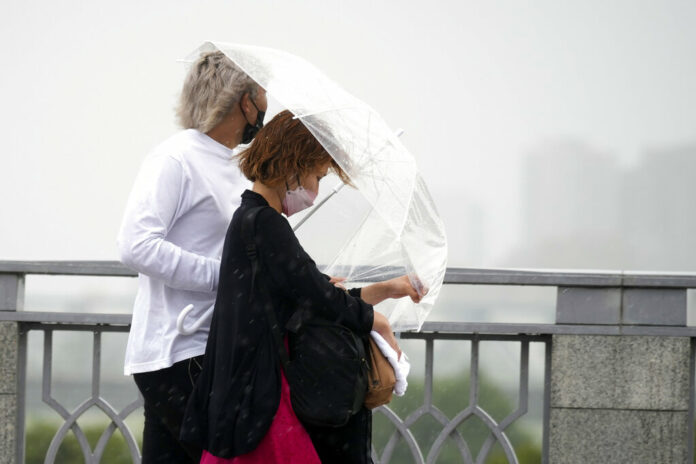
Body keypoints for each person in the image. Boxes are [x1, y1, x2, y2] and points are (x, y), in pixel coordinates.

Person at [180, 110, 422, 463]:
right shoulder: (265, 223)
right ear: (293, 164)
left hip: (246, 394)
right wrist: (375, 320)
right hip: (261, 396)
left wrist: (384, 289)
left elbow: (310, 294)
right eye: (318, 175)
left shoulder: (251, 219)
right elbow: (318, 296)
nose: (315, 190)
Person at [117, 50, 268, 463]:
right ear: (245, 99)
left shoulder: (235, 164)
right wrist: (223, 276)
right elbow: (136, 244)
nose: (267, 106)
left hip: (211, 347)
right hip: (180, 352)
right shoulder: (176, 158)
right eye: (263, 94)